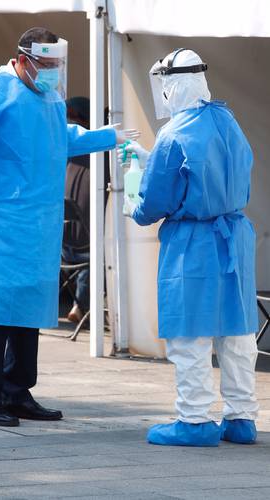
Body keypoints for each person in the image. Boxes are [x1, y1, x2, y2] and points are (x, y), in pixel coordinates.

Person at [0, 27, 139, 427]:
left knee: (28, 311)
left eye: (56, 65)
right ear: (24, 60)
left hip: (38, 224)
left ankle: (18, 391)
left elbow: (59, 138)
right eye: (46, 65)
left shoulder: (47, 96)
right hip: (2, 222)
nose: (52, 72)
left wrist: (104, 137)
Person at [120, 48, 258, 446]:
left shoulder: (174, 132)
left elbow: (154, 202)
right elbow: (212, 169)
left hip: (193, 241)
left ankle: (195, 420)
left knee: (191, 332)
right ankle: (241, 418)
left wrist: (136, 204)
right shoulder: (226, 119)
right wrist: (153, 159)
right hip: (234, 234)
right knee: (236, 332)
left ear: (172, 85)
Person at [63, 97, 111, 323]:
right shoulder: (105, 162)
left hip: (60, 247)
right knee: (102, 240)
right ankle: (84, 305)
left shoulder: (65, 158)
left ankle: (78, 304)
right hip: (87, 249)